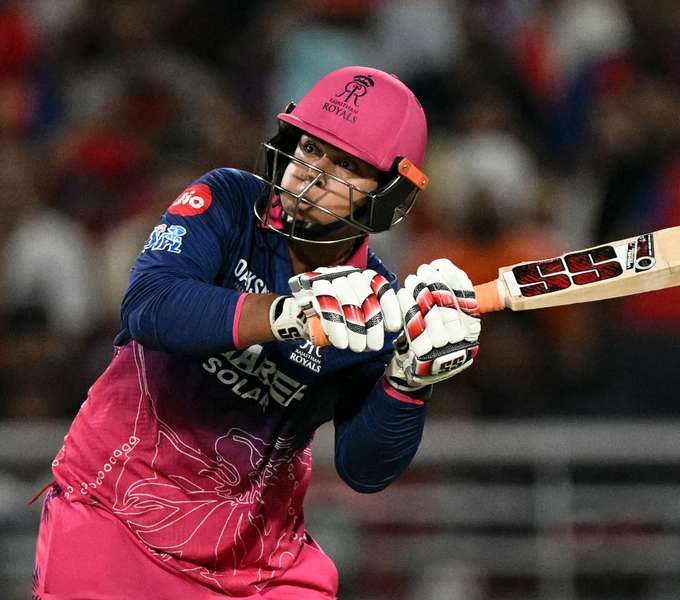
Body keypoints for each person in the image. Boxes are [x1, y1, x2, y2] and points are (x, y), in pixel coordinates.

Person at [32, 66, 481, 600]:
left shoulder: (375, 303)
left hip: (258, 561)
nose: (314, 175)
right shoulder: (226, 200)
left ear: (386, 194)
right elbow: (148, 305)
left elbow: (364, 470)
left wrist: (408, 382)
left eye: (346, 166)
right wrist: (289, 312)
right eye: (312, 149)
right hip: (114, 516)